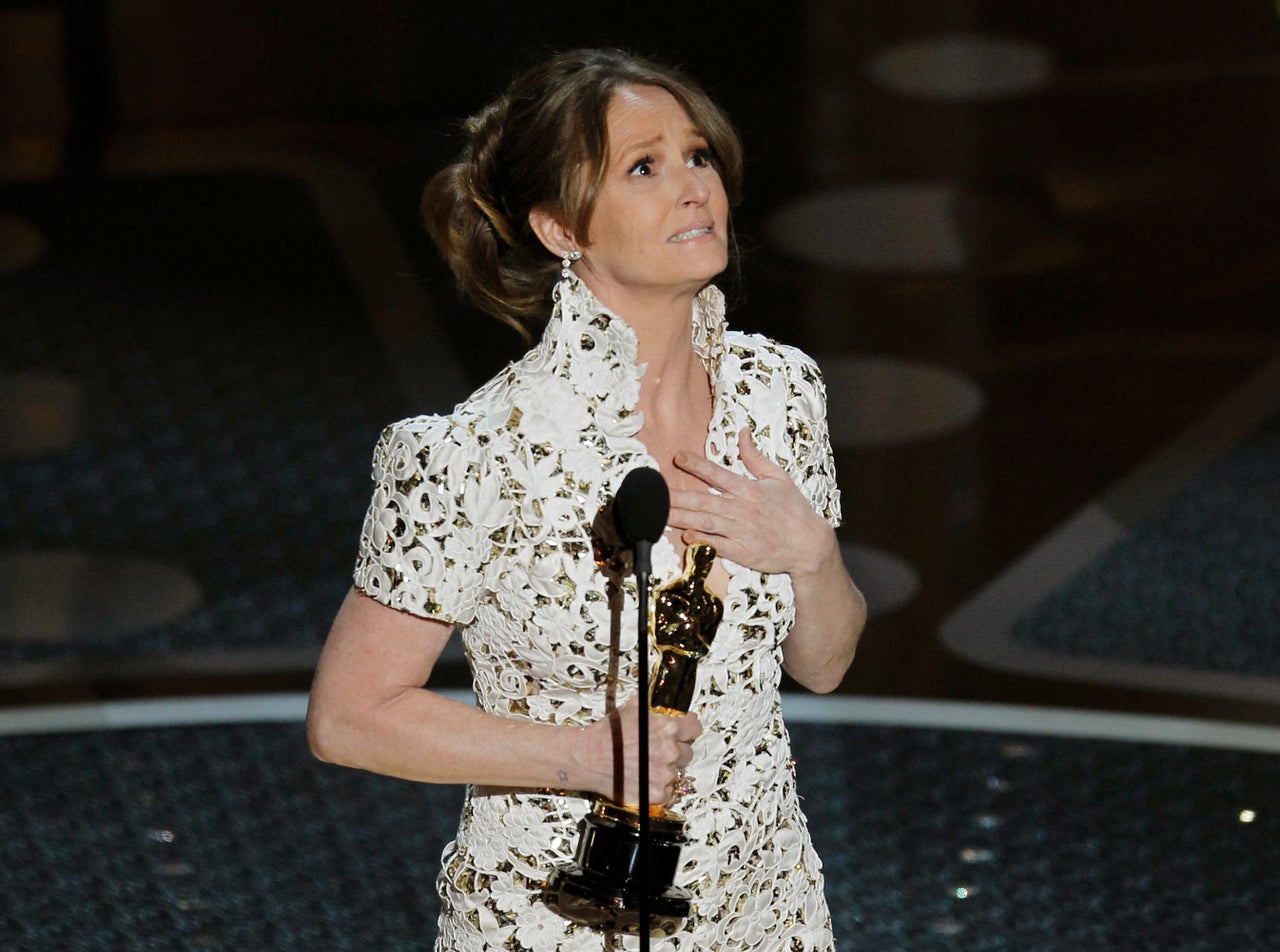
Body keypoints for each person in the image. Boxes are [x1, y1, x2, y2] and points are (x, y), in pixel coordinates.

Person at [307, 47, 867, 952]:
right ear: (563, 229)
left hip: (766, 907)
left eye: (698, 156)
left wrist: (814, 554)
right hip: (557, 919)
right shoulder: (472, 453)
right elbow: (348, 717)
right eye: (644, 167)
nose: (693, 188)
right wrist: (579, 755)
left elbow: (826, 663)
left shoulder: (780, 393)